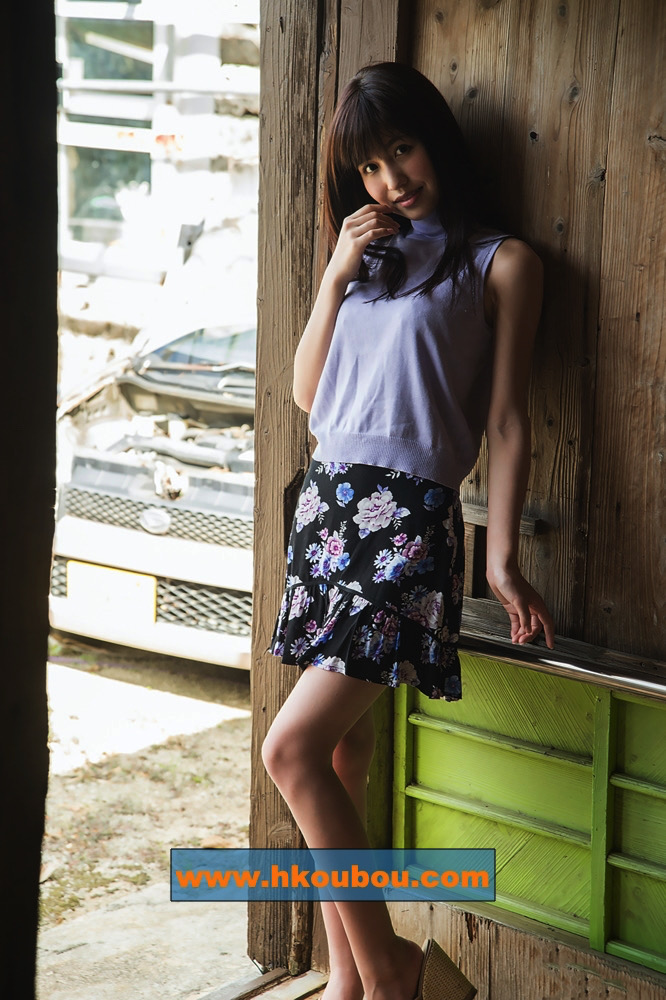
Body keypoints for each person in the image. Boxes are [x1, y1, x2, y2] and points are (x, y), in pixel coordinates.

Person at [262, 62, 555, 1000]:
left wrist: (499, 560)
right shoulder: (368, 262)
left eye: (402, 149)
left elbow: (505, 421)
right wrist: (336, 274)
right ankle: (349, 985)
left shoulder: (500, 263)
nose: (391, 180)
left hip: (406, 525)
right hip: (327, 516)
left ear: (435, 141)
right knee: (339, 755)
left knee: (288, 751)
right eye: (370, 167)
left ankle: (395, 974)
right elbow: (310, 396)